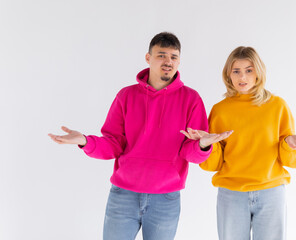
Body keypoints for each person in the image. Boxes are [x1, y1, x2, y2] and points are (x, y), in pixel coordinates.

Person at [48, 32, 231, 240]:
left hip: (165, 199)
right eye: (161, 55)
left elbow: (191, 154)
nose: (168, 61)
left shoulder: (191, 99)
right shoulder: (126, 96)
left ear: (179, 60)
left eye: (173, 57)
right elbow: (113, 145)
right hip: (123, 196)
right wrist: (85, 141)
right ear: (148, 58)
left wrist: (203, 145)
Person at [182, 46, 296, 240]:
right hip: (231, 194)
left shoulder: (278, 106)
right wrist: (207, 144)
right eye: (236, 71)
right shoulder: (220, 110)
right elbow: (213, 163)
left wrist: (288, 142)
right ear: (229, 75)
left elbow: (291, 160)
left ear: (258, 73)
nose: (242, 76)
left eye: (248, 70)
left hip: (271, 192)